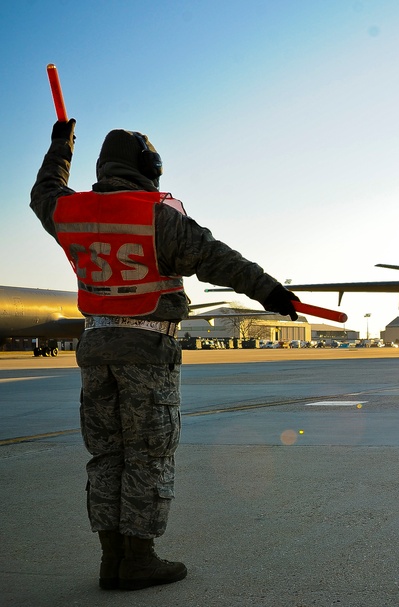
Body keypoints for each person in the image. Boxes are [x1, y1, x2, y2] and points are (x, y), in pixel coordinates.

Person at [30, 119, 300, 591]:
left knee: (106, 455)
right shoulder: (155, 215)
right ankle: (139, 558)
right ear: (148, 168)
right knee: (148, 455)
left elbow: (44, 189)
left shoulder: (67, 211)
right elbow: (218, 258)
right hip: (146, 352)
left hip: (94, 351)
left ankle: (111, 559)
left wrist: (60, 147)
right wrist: (271, 292)